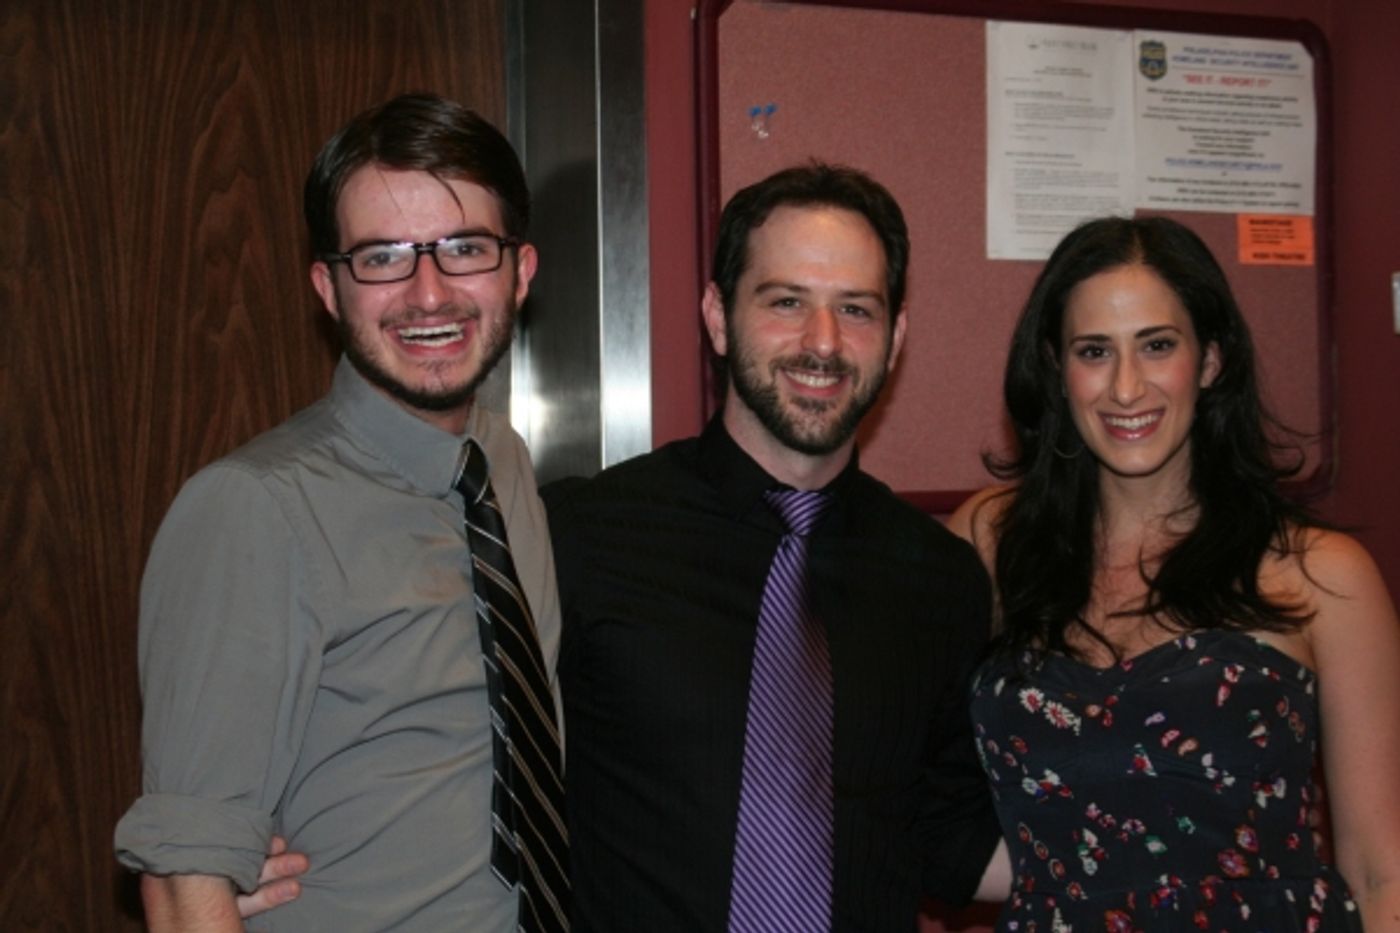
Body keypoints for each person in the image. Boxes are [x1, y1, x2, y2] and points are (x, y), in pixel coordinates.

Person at [114, 93, 568, 932]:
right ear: (329, 287)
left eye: (465, 248)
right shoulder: (252, 510)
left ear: (521, 270)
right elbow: (186, 883)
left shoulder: (502, 461)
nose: (428, 293)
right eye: (383, 257)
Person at [544, 163, 1004, 931]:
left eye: (855, 308)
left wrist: (1167, 846)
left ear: (896, 339)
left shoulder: (941, 579)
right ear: (719, 318)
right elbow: (474, 768)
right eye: (786, 301)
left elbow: (946, 830)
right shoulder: (581, 534)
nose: (822, 343)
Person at [949, 216, 1400, 931]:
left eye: (1158, 346)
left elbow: (1382, 871)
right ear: (1056, 370)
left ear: (1211, 359)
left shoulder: (1323, 576)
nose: (1127, 388)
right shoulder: (990, 542)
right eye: (1094, 351)